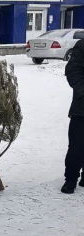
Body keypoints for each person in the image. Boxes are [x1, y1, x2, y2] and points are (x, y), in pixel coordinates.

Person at [63, 40, 84, 193]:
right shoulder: (82, 45)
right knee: (76, 146)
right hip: (82, 107)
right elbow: (73, 70)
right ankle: (71, 178)